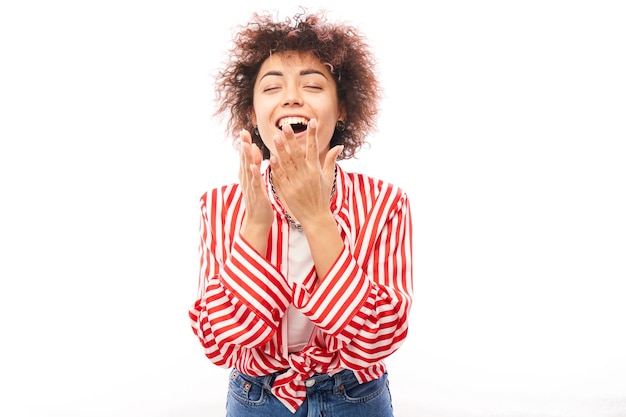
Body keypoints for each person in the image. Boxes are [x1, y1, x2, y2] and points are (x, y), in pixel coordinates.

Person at [189, 9, 413, 417]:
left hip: (356, 396)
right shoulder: (221, 206)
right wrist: (255, 228)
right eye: (273, 87)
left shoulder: (385, 203)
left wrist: (316, 219)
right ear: (254, 116)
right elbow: (219, 343)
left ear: (342, 109)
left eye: (312, 85)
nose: (292, 96)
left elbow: (379, 339)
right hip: (256, 397)